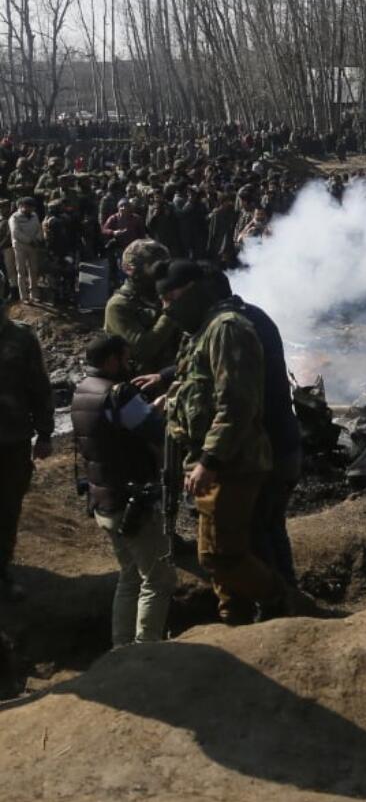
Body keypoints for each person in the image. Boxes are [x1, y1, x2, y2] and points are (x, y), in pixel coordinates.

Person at [158, 260, 286, 624]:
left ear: (195, 290)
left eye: (171, 297)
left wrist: (210, 460)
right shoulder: (202, 331)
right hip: (210, 459)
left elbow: (238, 402)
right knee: (221, 549)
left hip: (234, 462)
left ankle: (283, 600)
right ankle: (234, 616)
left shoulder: (227, 328)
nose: (166, 307)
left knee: (217, 556)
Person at [71, 334, 176, 645]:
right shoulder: (120, 394)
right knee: (159, 578)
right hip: (132, 501)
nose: (128, 365)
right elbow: (153, 431)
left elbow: (114, 433)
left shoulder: (82, 391)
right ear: (111, 360)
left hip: (103, 499)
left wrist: (150, 408)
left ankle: (121, 649)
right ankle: (146, 649)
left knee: (130, 575)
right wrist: (164, 407)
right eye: (124, 358)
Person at [0, 270, 54, 601]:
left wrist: (46, 433)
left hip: (12, 439)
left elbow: (40, 387)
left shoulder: (21, 338)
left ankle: (2, 569)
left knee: (7, 507)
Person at [104, 240, 182, 375]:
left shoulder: (161, 295)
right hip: (141, 382)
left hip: (170, 375)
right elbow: (143, 350)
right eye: (155, 267)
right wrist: (169, 312)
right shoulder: (119, 306)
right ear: (133, 270)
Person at [8, 197, 43, 304]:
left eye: (31, 207)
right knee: (21, 271)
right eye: (27, 206)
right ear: (21, 206)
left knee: (33, 270)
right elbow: (15, 233)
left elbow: (39, 228)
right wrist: (29, 241)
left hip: (33, 246)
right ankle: (24, 297)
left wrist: (38, 239)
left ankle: (34, 294)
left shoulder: (34, 215)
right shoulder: (14, 217)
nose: (29, 209)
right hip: (20, 246)